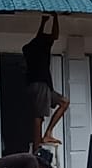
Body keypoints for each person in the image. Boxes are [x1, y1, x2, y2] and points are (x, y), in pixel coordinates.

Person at [23, 15, 70, 151]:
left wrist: (43, 22)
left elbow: (39, 36)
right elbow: (55, 35)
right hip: (40, 84)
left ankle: (48, 133)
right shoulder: (40, 46)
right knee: (38, 116)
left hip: (40, 85)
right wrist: (55, 17)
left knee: (64, 102)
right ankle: (37, 148)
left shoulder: (31, 47)